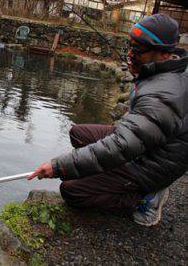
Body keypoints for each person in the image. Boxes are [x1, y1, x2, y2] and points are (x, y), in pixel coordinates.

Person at [28, 14, 188, 227]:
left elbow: (122, 145)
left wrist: (58, 167)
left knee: (72, 190)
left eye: (138, 50)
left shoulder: (163, 96)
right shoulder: (167, 69)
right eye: (129, 46)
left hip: (153, 164)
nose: (130, 54)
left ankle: (147, 198)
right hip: (150, 144)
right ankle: (111, 176)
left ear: (164, 53)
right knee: (78, 132)